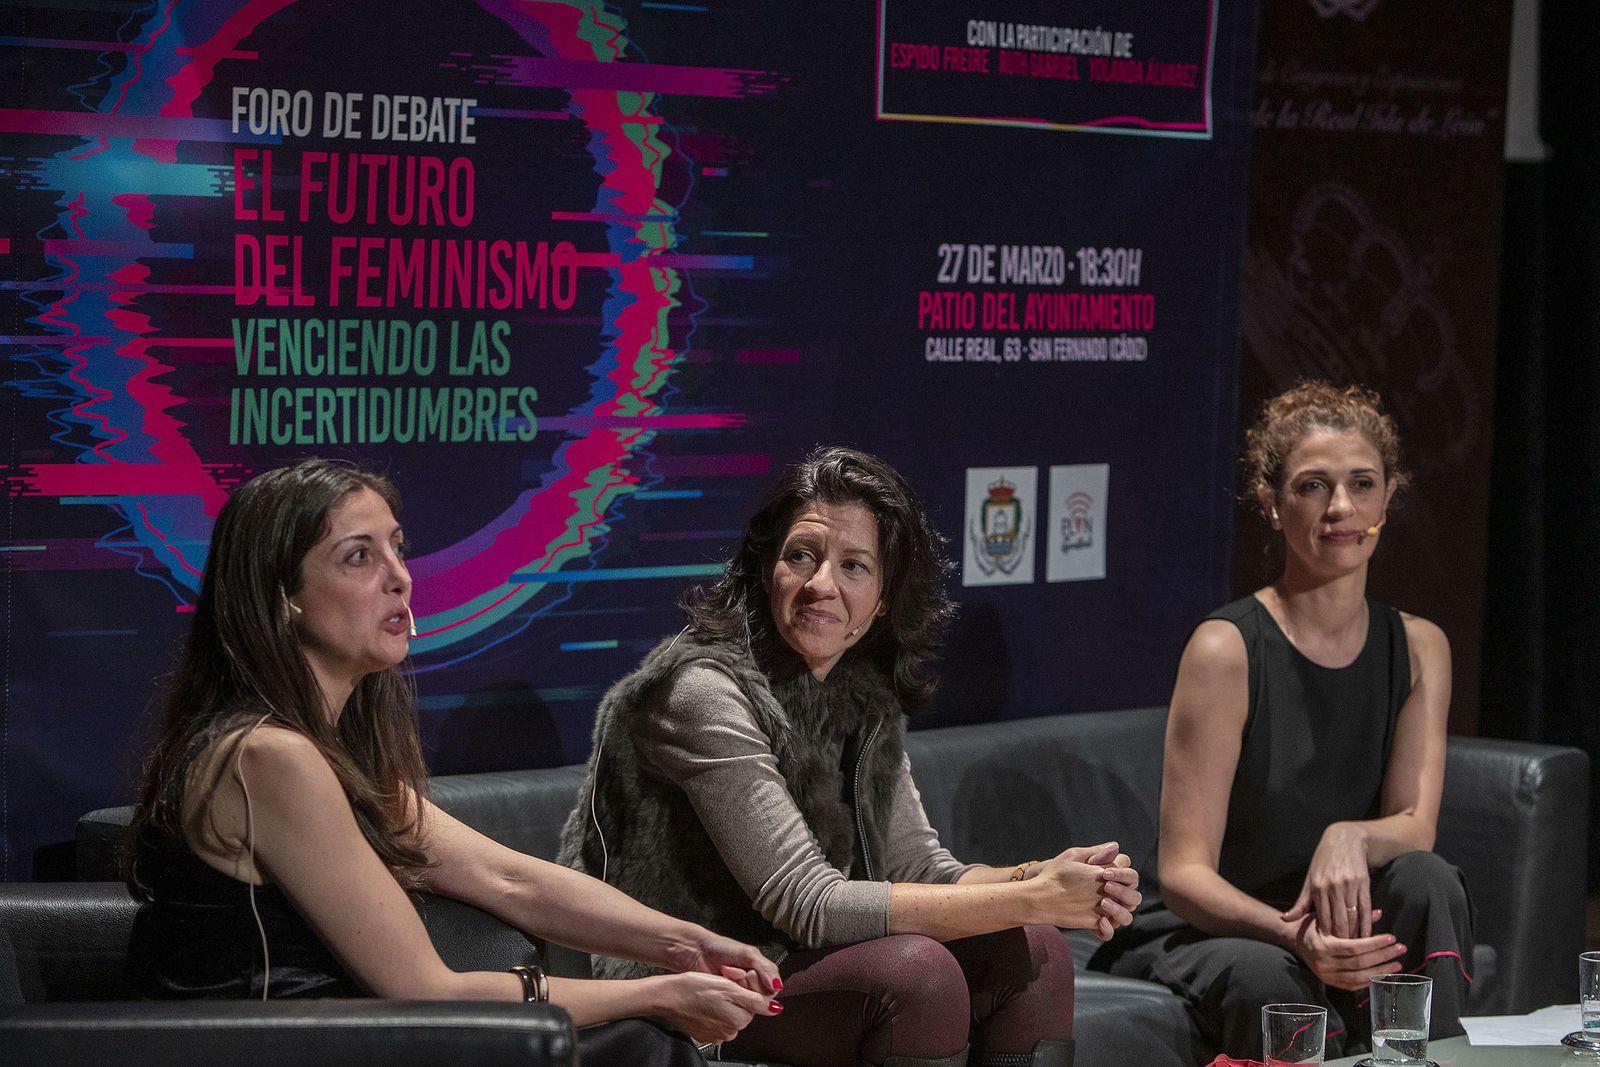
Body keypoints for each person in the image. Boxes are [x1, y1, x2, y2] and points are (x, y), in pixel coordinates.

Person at [127, 459, 781, 1067]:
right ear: (283, 594)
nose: (400, 576)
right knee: (641, 1040)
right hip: (275, 1048)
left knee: (639, 1039)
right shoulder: (266, 756)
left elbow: (507, 879)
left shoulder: (325, 752)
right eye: (359, 555)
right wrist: (656, 993)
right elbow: (424, 987)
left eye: (397, 548)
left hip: (345, 1035)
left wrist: (687, 944)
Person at [558, 446, 1142, 1067]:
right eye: (801, 556)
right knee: (917, 975)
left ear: (885, 596)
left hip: (791, 965)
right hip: (689, 992)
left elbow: (917, 867)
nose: (821, 585)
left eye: (855, 566)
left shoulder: (862, 691)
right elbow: (805, 902)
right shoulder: (701, 689)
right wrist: (1032, 895)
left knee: (1037, 952)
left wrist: (1044, 878)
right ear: (766, 569)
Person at [1090, 382, 1473, 1059]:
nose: (1341, 508)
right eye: (1312, 486)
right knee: (1277, 980)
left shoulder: (1419, 645)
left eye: (1362, 483)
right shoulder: (1227, 647)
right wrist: (1295, 934)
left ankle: (1428, 1057)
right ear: (1271, 503)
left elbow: (1416, 823)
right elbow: (1183, 875)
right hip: (1221, 930)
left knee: (1427, 878)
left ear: (1390, 496)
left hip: (1338, 912)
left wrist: (1347, 835)